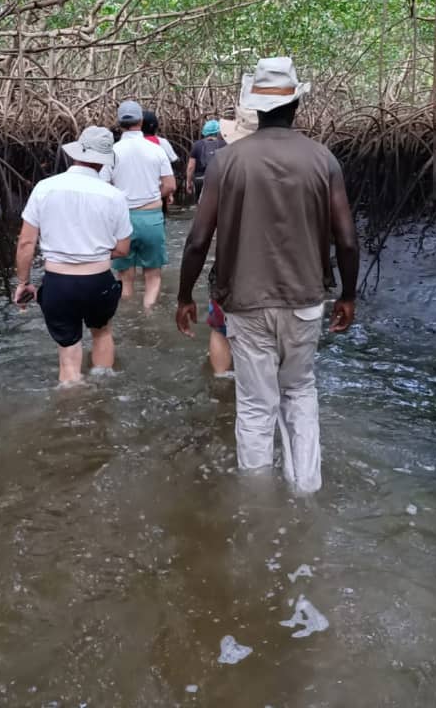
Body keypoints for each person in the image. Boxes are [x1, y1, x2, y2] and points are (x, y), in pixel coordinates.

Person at [175, 57, 359, 493]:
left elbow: (198, 239)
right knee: (299, 393)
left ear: (255, 108)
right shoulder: (323, 159)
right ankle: (305, 490)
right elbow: (347, 240)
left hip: (244, 302)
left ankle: (256, 508)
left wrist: (184, 295)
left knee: (256, 406)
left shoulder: (225, 161)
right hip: (305, 301)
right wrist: (348, 296)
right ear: (298, 104)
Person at [13, 126, 132, 384]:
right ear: (103, 163)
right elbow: (123, 249)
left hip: (58, 283)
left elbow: (26, 243)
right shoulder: (115, 196)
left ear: (76, 154)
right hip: (99, 281)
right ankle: (103, 388)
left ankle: (72, 404)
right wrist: (94, 251)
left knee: (68, 353)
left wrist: (23, 283)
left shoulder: (44, 188)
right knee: (101, 333)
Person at [103, 99, 176, 310]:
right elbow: (170, 185)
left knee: (125, 279)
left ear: (118, 123)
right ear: (141, 121)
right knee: (152, 276)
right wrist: (153, 196)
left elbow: (103, 187)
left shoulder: (112, 152)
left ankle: (126, 312)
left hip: (122, 221)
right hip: (151, 217)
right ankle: (148, 314)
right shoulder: (156, 149)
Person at [186, 120, 227, 203]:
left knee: (200, 205)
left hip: (200, 180)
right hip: (218, 180)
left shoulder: (197, 145)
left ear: (205, 132)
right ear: (218, 132)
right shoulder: (225, 144)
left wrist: (188, 182)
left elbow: (190, 167)